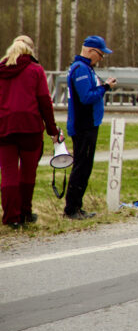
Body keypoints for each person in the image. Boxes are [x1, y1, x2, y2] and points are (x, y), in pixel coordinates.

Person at [0, 36, 61, 228]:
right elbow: (44, 101)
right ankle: (25, 212)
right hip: (30, 127)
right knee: (28, 172)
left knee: (8, 173)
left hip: (4, 127)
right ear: (30, 50)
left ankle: (11, 217)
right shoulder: (35, 70)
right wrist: (52, 129)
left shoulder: (1, 71)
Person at [64, 36, 117, 219]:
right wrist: (105, 87)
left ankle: (77, 206)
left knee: (85, 167)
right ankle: (71, 209)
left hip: (89, 125)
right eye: (100, 54)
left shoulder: (87, 68)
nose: (101, 58)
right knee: (81, 167)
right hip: (83, 126)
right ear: (89, 51)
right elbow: (86, 97)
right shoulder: (81, 69)